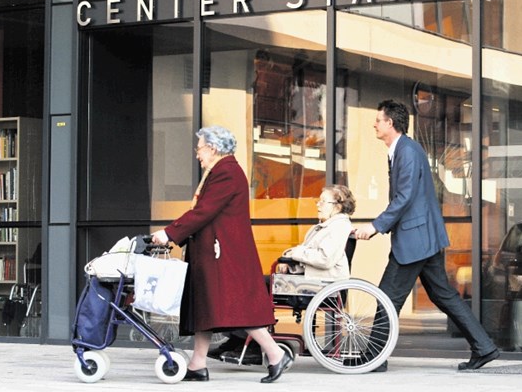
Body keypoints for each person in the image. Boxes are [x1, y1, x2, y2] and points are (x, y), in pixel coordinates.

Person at [353, 100, 499, 372]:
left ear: (390, 123)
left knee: (387, 296)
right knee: (443, 295)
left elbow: (405, 196)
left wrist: (376, 226)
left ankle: (374, 357)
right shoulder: (401, 150)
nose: (374, 124)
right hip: (422, 236)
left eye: (378, 119)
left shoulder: (407, 151)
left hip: (415, 239)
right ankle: (484, 346)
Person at [150, 126, 292, 383]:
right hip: (214, 252)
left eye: (200, 149)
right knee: (206, 306)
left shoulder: (225, 172)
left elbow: (204, 211)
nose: (198, 155)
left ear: (213, 148)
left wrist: (170, 233)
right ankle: (197, 364)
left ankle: (275, 353)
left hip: (223, 254)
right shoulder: (220, 171)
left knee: (235, 307)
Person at [212, 184, 356, 365]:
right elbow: (312, 260)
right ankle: (239, 340)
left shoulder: (339, 226)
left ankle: (250, 345)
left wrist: (294, 254)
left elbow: (325, 259)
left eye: (322, 201)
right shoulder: (325, 226)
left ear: (337, 205)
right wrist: (291, 267)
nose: (317, 205)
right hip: (313, 282)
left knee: (253, 287)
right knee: (251, 284)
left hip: (322, 287)